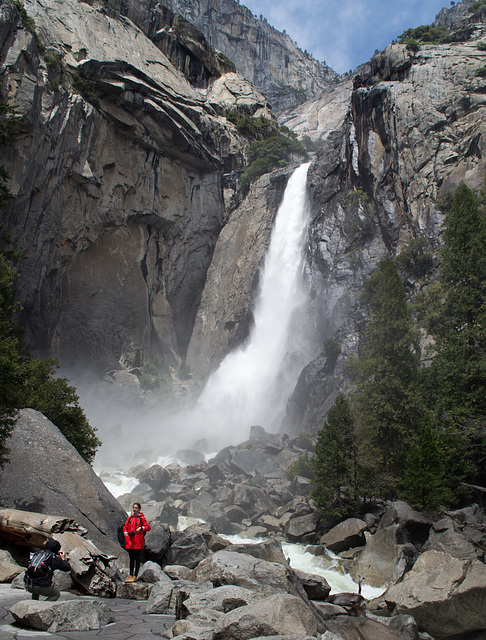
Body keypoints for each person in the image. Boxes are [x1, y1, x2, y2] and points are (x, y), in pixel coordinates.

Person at [122, 502, 150, 582]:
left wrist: (141, 528)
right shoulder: (130, 518)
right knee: (131, 558)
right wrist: (126, 534)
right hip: (130, 542)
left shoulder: (141, 518)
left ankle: (135, 576)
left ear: (139, 509)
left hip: (137, 542)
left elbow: (148, 527)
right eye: (134, 508)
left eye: (136, 508)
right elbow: (125, 527)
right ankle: (130, 575)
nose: (134, 509)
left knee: (137, 559)